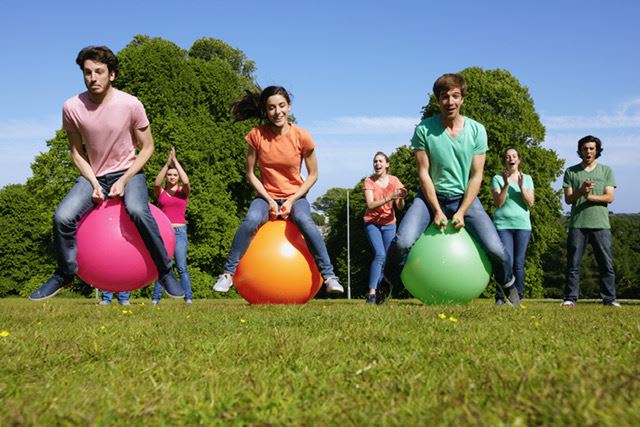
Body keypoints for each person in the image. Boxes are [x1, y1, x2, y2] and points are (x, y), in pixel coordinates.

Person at [29, 46, 183, 301]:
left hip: (129, 172)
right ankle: (65, 273)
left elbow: (148, 148)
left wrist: (123, 180)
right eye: (87, 72)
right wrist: (93, 182)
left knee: (137, 210)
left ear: (111, 74)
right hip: (94, 176)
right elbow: (77, 153)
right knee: (62, 217)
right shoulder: (72, 107)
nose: (93, 78)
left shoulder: (130, 104)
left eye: (99, 72)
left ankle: (165, 271)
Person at [381, 73, 519, 306]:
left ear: (463, 99)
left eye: (455, 96)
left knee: (496, 248)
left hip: (464, 199)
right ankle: (386, 284)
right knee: (402, 241)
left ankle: (508, 285)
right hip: (428, 199)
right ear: (438, 101)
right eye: (445, 97)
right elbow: (423, 173)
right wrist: (436, 210)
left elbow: (476, 176)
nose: (450, 102)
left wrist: (462, 211)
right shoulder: (424, 130)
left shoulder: (477, 130)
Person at [212, 86, 344, 295]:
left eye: (281, 106)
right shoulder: (256, 135)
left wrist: (292, 200)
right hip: (266, 197)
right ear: (266, 110)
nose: (277, 112)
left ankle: (329, 276)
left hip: (296, 195)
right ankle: (227, 274)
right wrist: (269, 200)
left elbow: (313, 175)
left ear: (289, 107)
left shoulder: (302, 136)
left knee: (305, 221)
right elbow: (250, 174)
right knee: (251, 220)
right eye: (271, 108)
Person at [562, 135, 619, 307]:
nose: (588, 151)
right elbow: (569, 200)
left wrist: (590, 196)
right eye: (585, 148)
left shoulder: (606, 171)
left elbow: (610, 197)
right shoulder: (571, 172)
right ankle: (570, 299)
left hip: (601, 225)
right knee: (573, 265)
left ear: (597, 151)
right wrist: (581, 190)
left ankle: (609, 299)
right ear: (580, 151)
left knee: (606, 265)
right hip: (578, 224)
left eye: (591, 148)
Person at [491, 148, 534, 304]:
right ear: (505, 161)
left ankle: (518, 297)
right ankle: (500, 297)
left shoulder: (527, 178)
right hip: (503, 225)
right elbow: (498, 203)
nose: (511, 158)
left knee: (518, 263)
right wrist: (506, 184)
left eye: (514, 156)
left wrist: (522, 186)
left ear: (519, 160)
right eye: (508, 156)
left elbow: (530, 203)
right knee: (504, 261)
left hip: (522, 226)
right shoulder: (497, 178)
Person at [363, 152, 407, 304]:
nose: (377, 164)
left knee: (387, 259)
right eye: (375, 161)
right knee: (380, 255)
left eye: (381, 161)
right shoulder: (369, 181)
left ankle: (381, 293)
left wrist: (401, 198)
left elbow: (400, 207)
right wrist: (390, 197)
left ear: (387, 164)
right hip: (372, 223)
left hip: (389, 224)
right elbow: (370, 204)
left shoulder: (394, 180)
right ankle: (371, 293)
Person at [151, 147, 192, 305]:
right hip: (164, 232)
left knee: (181, 266)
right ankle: (155, 299)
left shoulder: (183, 191)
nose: (172, 177)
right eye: (170, 174)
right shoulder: (161, 192)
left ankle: (188, 298)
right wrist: (167, 164)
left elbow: (187, 181)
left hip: (180, 231)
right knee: (163, 267)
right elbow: (156, 182)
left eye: (175, 175)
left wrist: (175, 162)